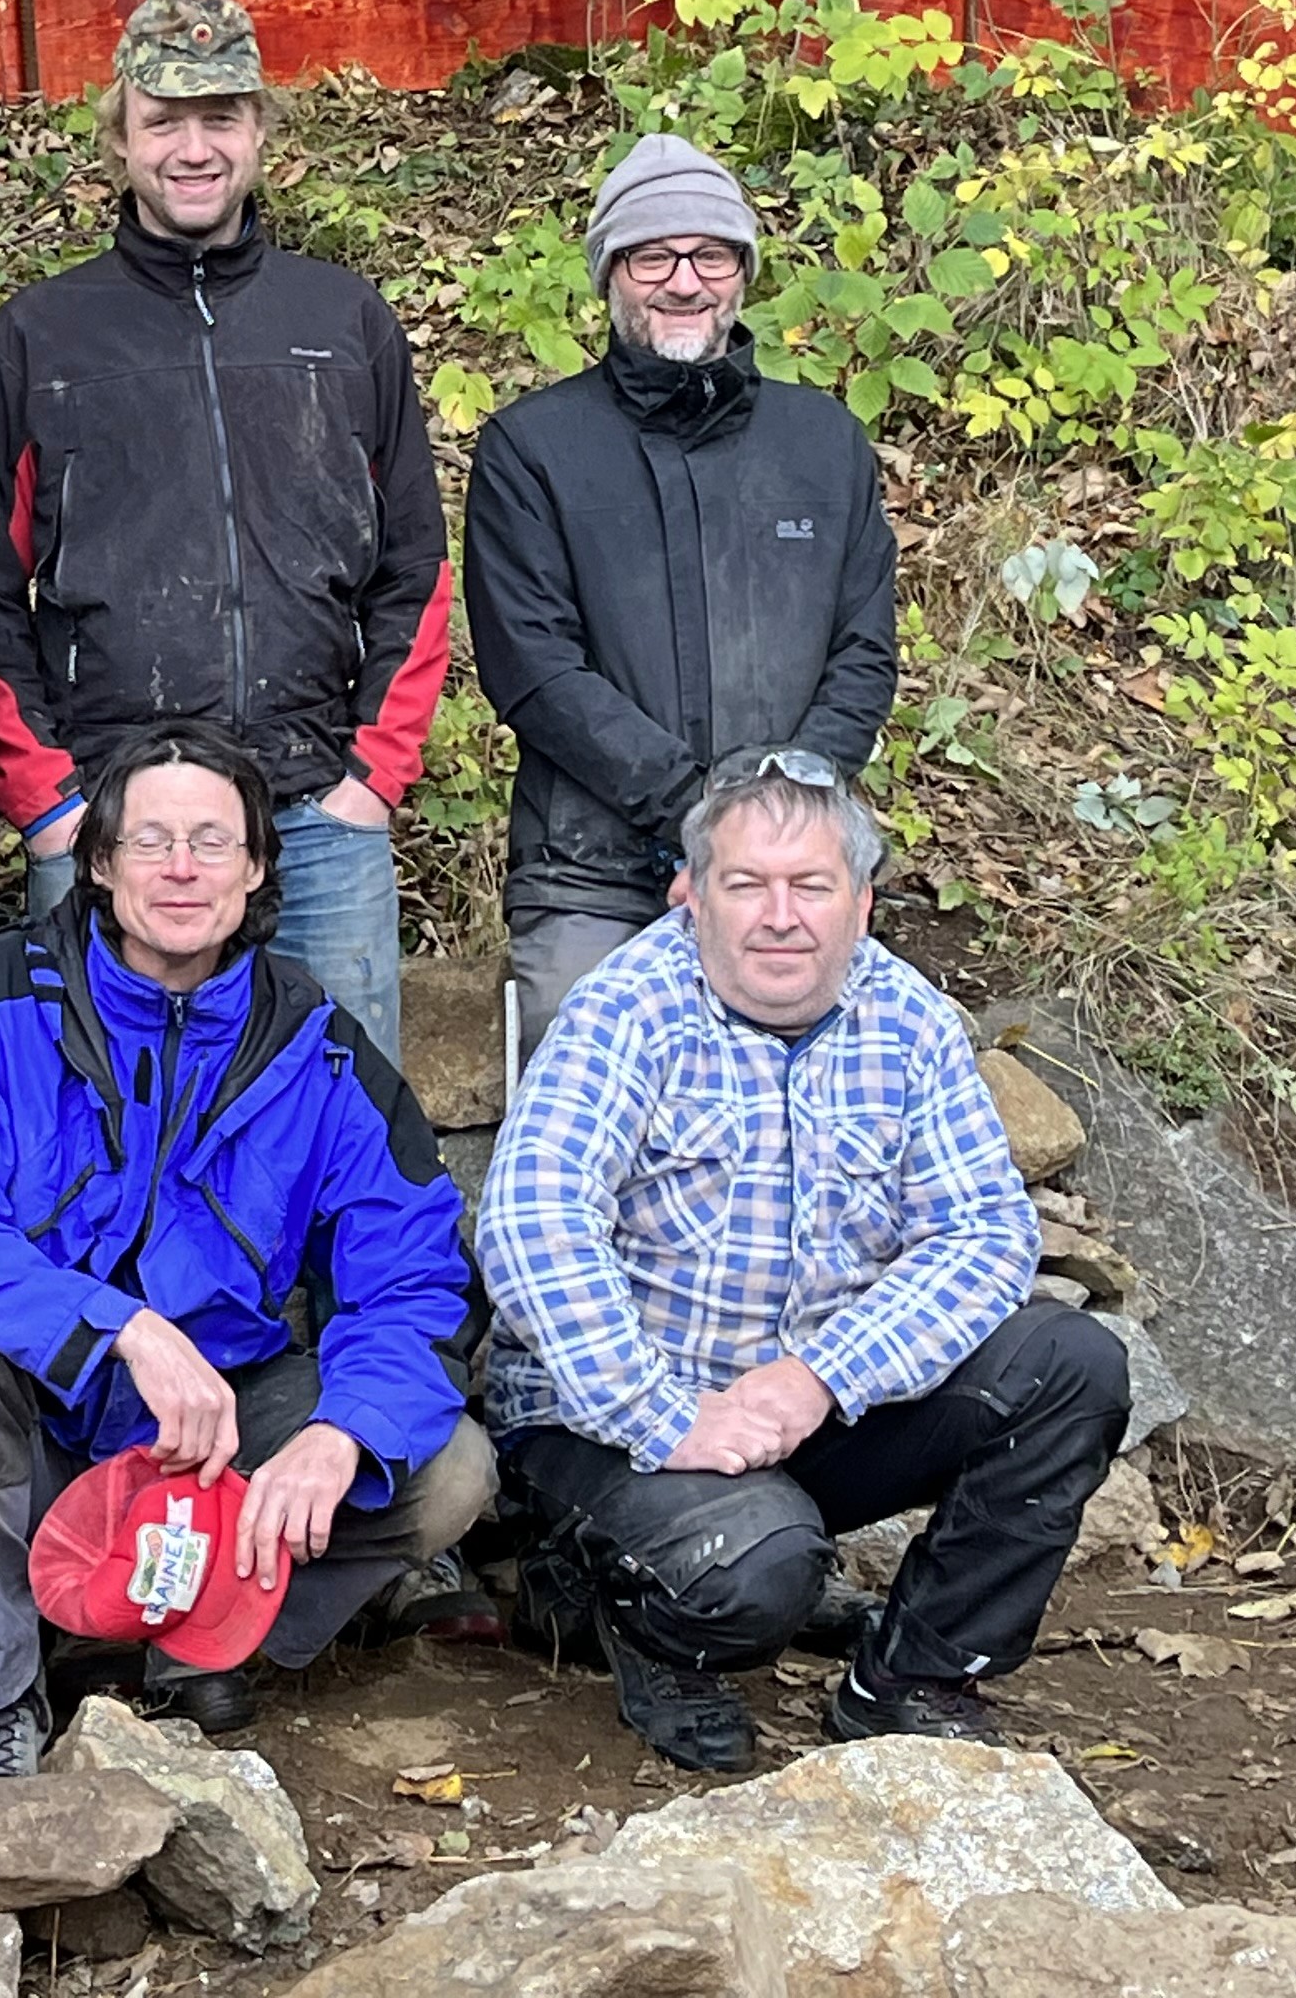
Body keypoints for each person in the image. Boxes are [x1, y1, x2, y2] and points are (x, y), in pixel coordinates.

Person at [0, 720, 494, 1773]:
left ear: (255, 868)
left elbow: (417, 1275)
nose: (182, 868)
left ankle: (188, 1638)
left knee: (447, 1467)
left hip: (218, 1442)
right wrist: (117, 1327)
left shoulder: (318, 1047)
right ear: (101, 865)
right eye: (150, 841)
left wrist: (344, 1431)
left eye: (212, 842)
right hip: (34, 1423)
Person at [477, 760, 1126, 1773]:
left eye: (810, 886)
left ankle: (911, 1678)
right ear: (691, 896)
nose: (780, 917)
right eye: (747, 885)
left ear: (860, 904)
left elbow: (984, 1233)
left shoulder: (908, 1019)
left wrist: (823, 1374)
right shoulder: (626, 1011)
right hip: (612, 1419)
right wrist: (664, 1417)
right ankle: (619, 1607)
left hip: (801, 1407)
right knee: (755, 1573)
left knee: (1070, 1365)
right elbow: (533, 1223)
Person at [0, 0, 450, 1060]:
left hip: (316, 815)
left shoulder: (345, 324)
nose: (194, 149)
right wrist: (47, 800)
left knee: (343, 1112)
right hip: (108, 819)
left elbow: (414, 567)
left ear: (261, 130)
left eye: (221, 117)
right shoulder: (36, 341)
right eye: (164, 121)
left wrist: (371, 779)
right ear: (120, 138)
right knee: (99, 1116)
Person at [463, 134, 898, 1057]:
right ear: (610, 275)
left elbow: (863, 652)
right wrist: (701, 814)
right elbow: (534, 669)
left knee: (838, 1089)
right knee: (578, 1078)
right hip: (590, 875)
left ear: (743, 272)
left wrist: (773, 824)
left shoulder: (824, 444)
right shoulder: (531, 450)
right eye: (652, 258)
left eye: (710, 256)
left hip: (791, 864)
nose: (685, 282)